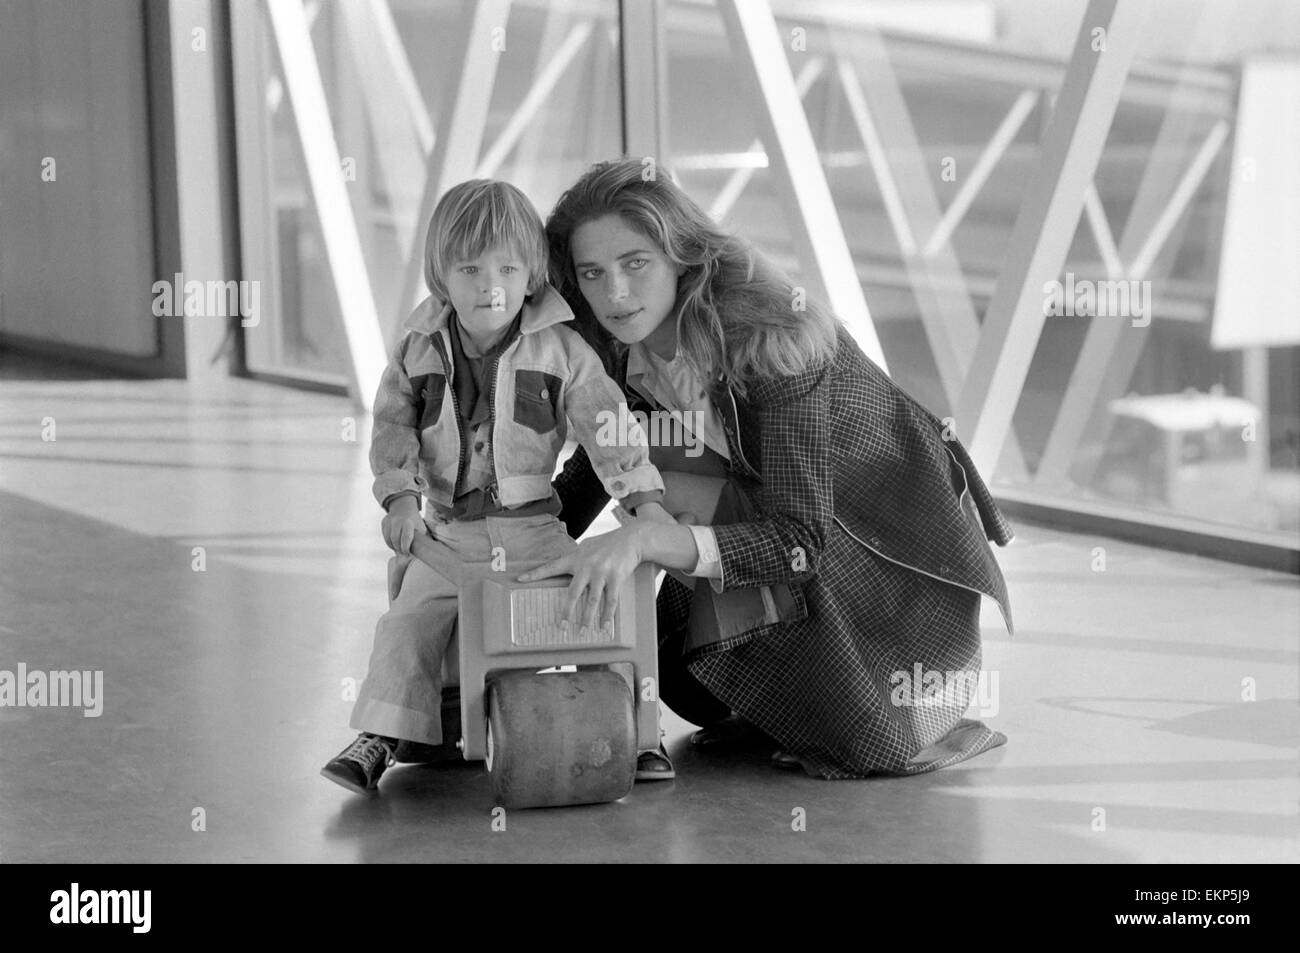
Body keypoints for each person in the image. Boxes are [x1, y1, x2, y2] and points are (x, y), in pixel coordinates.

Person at [519, 158, 1015, 779]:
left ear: (683, 256)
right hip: (764, 525)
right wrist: (513, 537)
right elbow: (602, 462)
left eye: (635, 263)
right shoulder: (615, 347)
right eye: (592, 273)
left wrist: (646, 536)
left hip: (872, 558)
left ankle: (860, 690)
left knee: (867, 746)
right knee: (685, 682)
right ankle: (777, 682)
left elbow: (802, 540)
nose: (614, 293)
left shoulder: (774, 341)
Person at [321, 178, 676, 795]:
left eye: (508, 269)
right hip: (448, 534)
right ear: (442, 275)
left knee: (599, 600)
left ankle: (640, 735)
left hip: (534, 530)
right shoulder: (417, 349)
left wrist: (645, 504)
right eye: (471, 268)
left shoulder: (563, 349)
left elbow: (608, 427)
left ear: (532, 276)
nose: (491, 286)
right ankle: (385, 735)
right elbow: (393, 427)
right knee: (407, 622)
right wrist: (401, 499)